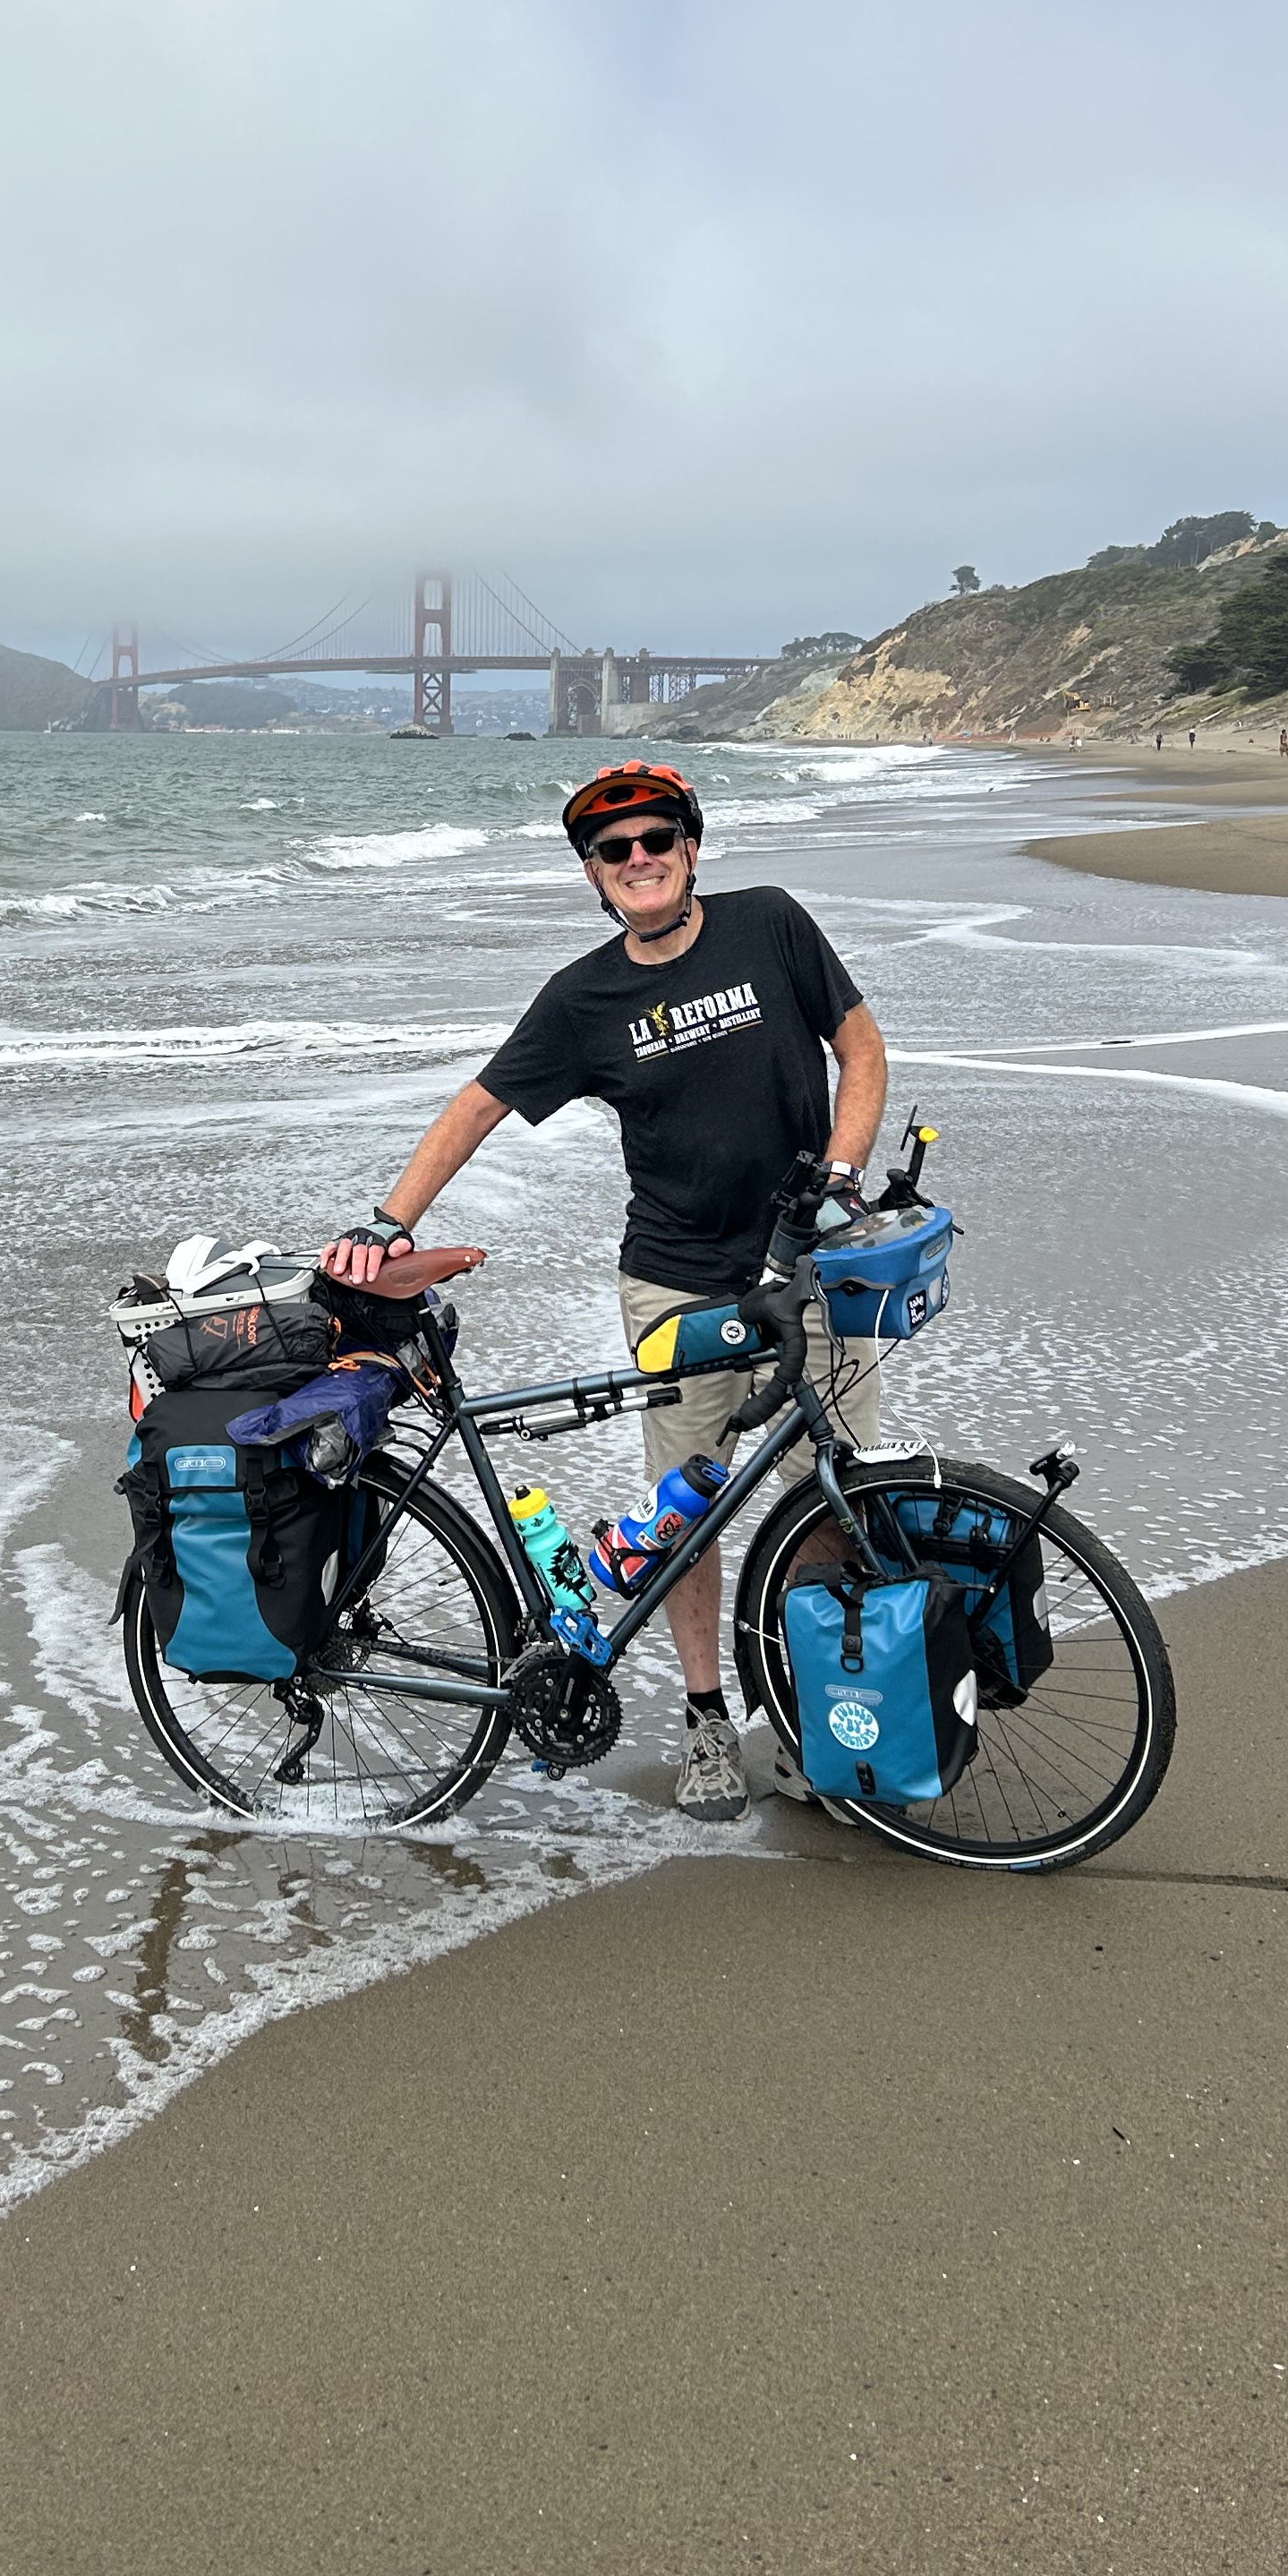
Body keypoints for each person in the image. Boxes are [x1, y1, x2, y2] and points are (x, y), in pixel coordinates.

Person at [322, 761, 887, 1821]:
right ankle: (709, 1723)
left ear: (691, 847)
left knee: (831, 1497)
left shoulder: (770, 924)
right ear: (593, 873)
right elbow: (478, 1106)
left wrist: (843, 1177)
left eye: (656, 839)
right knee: (687, 1513)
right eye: (613, 850)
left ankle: (813, 1716)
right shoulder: (583, 999)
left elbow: (859, 1049)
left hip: (809, 1266)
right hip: (677, 1283)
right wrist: (389, 1222)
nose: (638, 859)